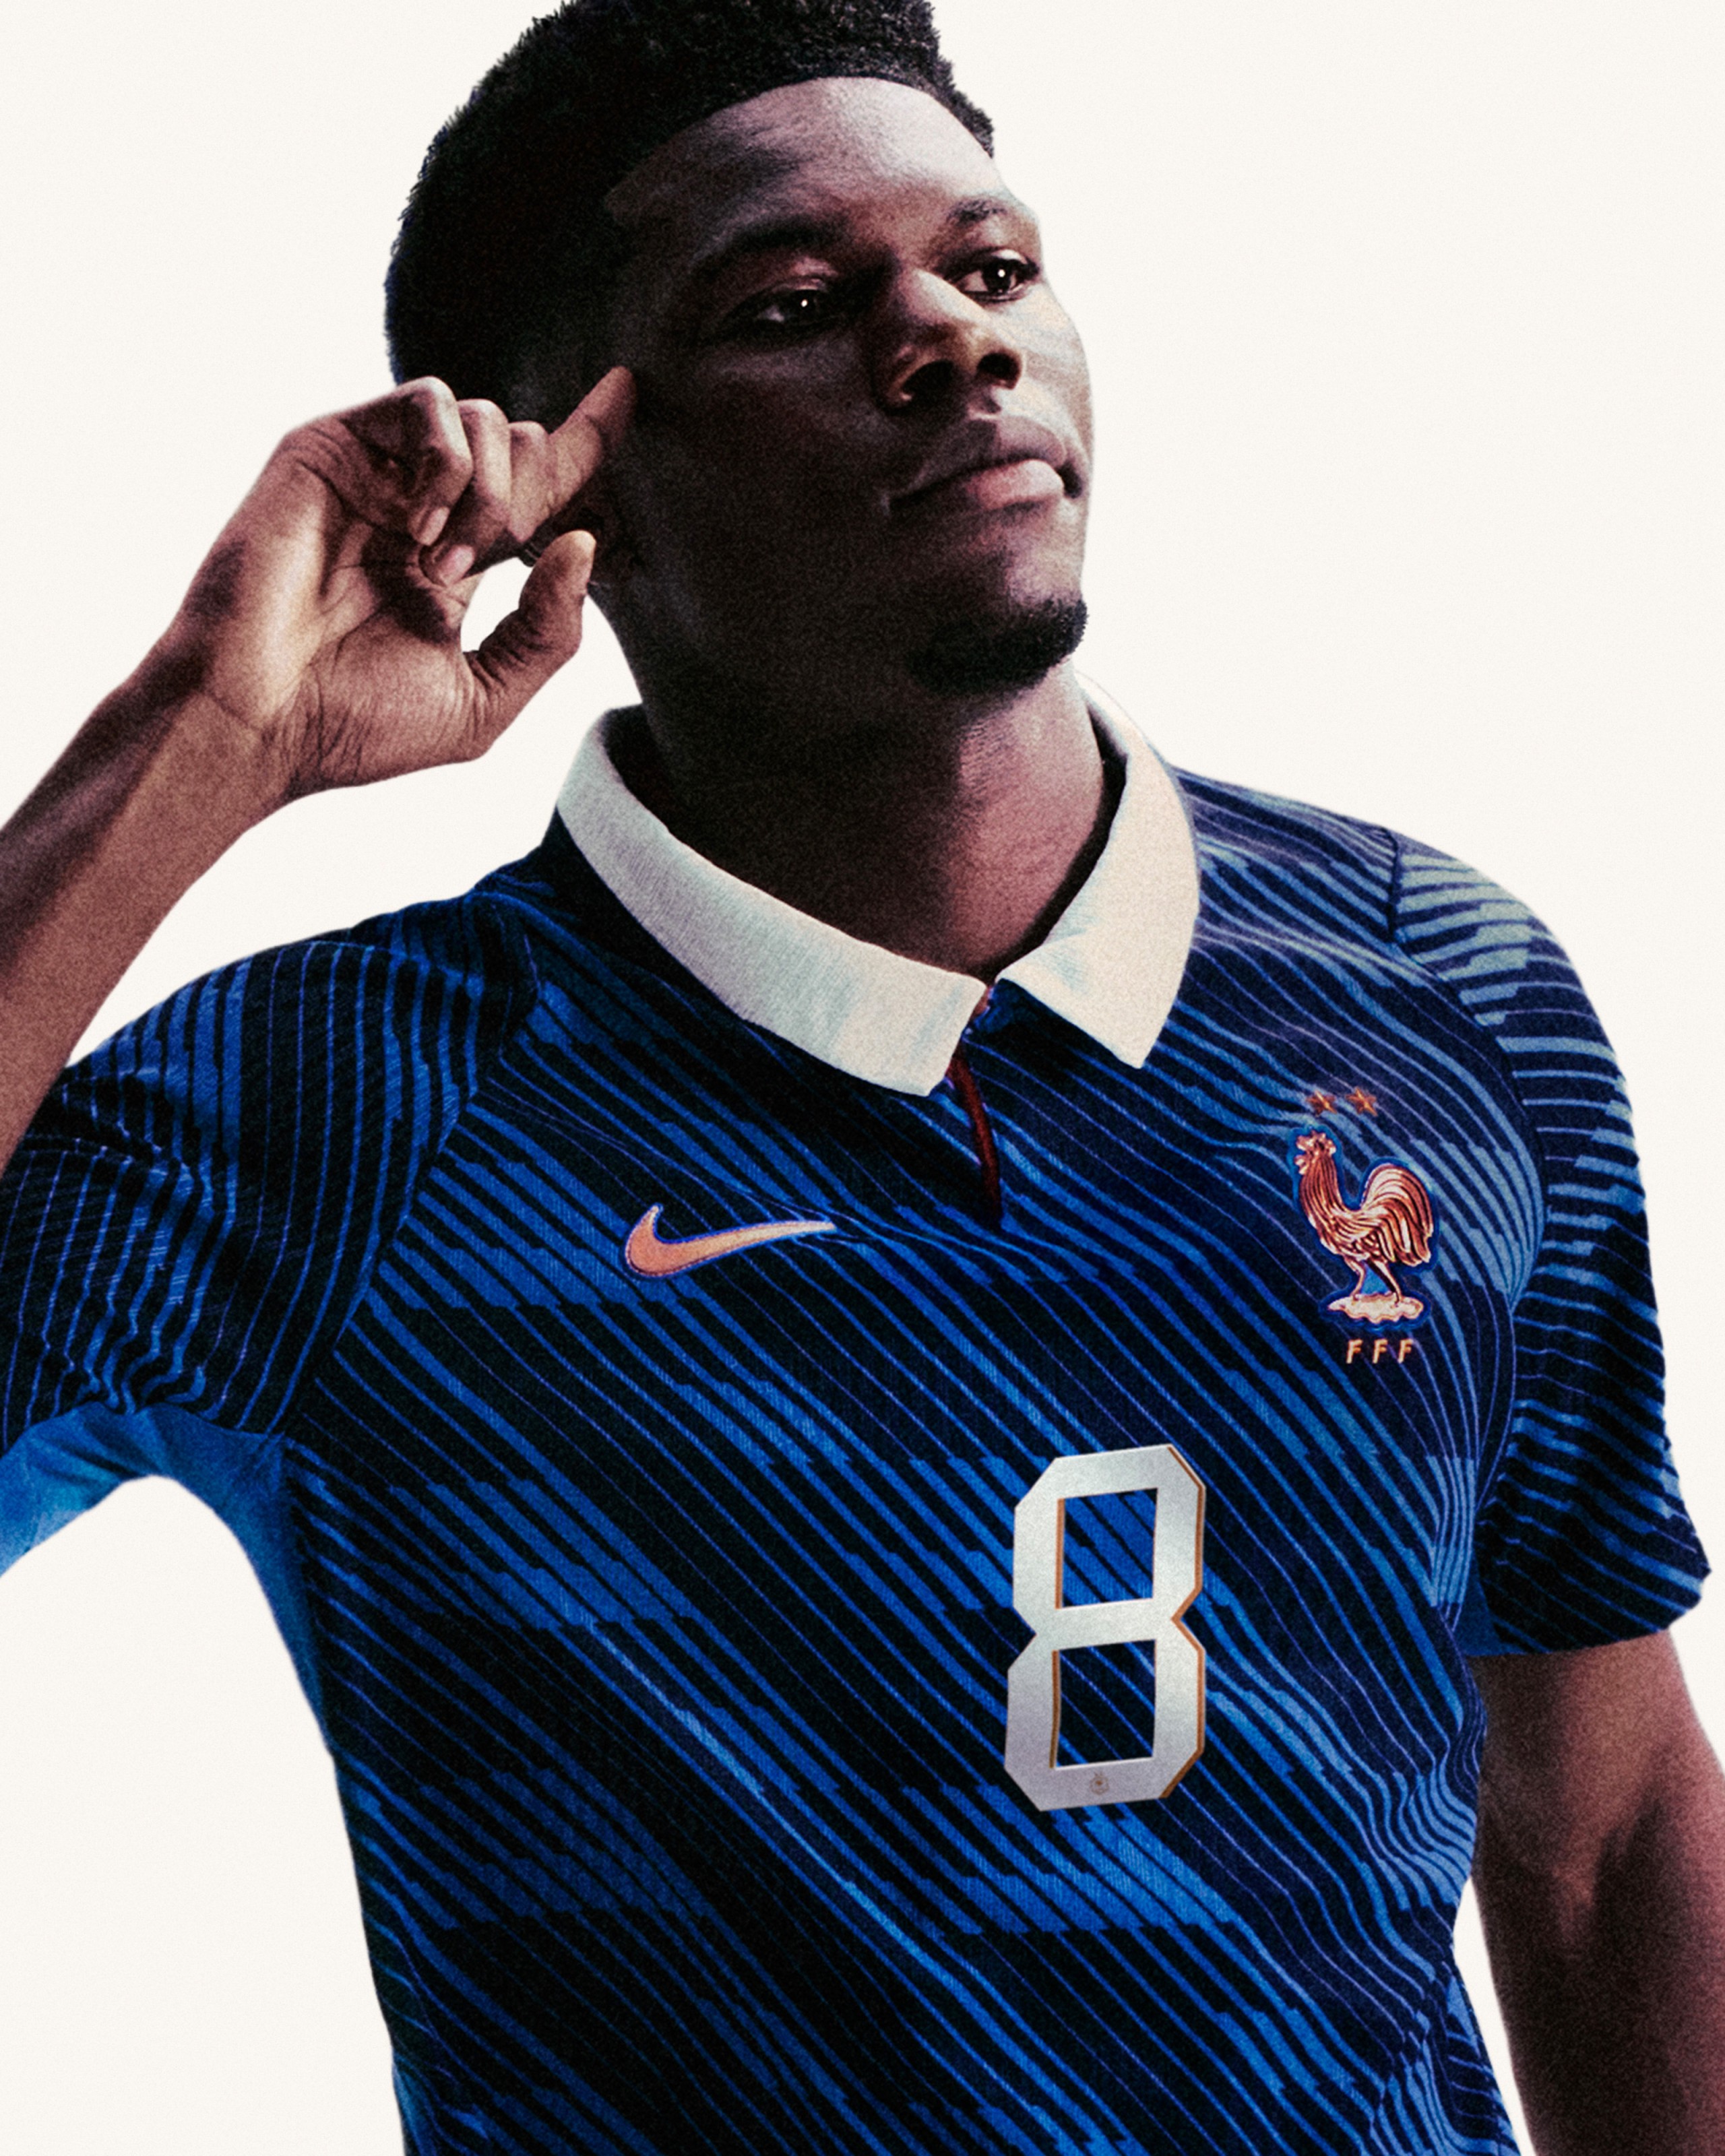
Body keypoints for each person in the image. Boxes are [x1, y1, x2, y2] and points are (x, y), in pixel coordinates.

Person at [1, 1, 1720, 2150]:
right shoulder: (334, 1107)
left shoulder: (1439, 988)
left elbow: (1604, 1834)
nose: (953, 338)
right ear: (563, 483)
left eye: (994, 268)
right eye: (794, 305)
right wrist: (199, 736)